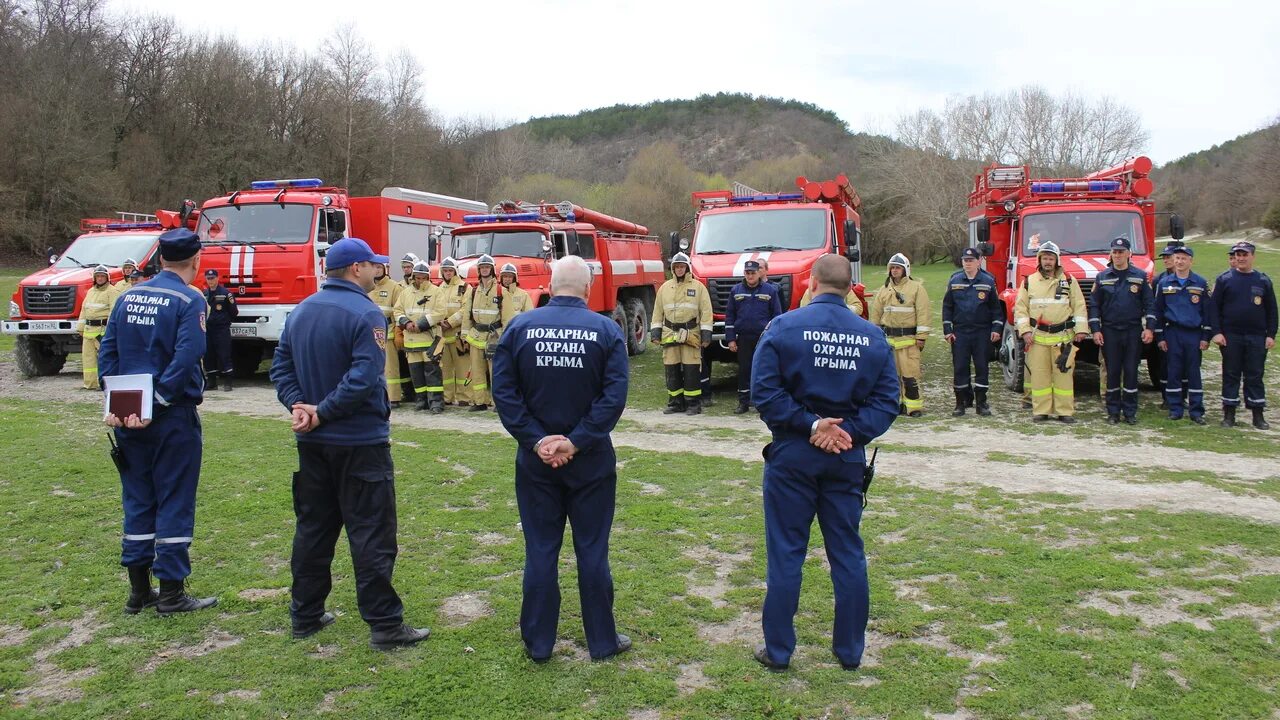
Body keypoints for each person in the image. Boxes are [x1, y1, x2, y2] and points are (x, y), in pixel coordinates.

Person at [269, 237, 429, 650]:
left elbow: (281, 367)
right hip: (359, 441)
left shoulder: (302, 310)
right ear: (356, 268)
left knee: (314, 529)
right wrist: (320, 411)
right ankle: (385, 625)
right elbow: (363, 378)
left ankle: (304, 615)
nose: (379, 270)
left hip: (314, 443)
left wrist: (298, 407)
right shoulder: (365, 312)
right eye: (373, 264)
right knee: (372, 533)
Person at [751, 254, 899, 672]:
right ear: (851, 288)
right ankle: (849, 651)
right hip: (845, 461)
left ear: (811, 282)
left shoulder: (783, 327)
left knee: (786, 555)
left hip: (793, 457)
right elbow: (889, 402)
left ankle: (778, 652)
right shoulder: (872, 336)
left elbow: (765, 393)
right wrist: (846, 432)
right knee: (848, 554)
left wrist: (813, 425)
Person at [491, 255, 631, 663]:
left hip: (536, 463)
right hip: (590, 462)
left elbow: (505, 395)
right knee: (591, 550)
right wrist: (577, 441)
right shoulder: (606, 330)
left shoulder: (519, 327)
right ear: (587, 289)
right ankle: (602, 642)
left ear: (550, 286)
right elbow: (613, 399)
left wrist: (538, 441)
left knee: (541, 549)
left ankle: (538, 643)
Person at [99, 228, 216, 616]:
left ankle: (138, 591)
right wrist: (160, 401)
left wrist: (116, 402)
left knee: (137, 497)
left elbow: (109, 349)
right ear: (196, 261)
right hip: (171, 416)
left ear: (160, 258)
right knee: (174, 498)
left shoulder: (127, 295)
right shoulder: (189, 299)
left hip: (125, 416)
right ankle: (171, 593)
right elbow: (187, 356)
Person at [1014, 242, 1087, 423]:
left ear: (1057, 260)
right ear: (1039, 260)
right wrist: (1025, 332)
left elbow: (1078, 306)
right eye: (1045, 258)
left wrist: (1081, 330)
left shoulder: (1069, 281)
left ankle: (1065, 412)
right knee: (1040, 376)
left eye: (1051, 258)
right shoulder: (1028, 282)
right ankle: (1041, 410)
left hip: (1062, 338)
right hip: (1038, 338)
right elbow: (1021, 309)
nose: (1048, 262)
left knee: (1063, 375)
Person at [1210, 241, 1276, 429]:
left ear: (1252, 257)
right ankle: (1229, 415)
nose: (1240, 258)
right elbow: (1214, 308)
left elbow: (1272, 310)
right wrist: (1217, 332)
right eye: (1238, 254)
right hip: (1231, 336)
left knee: (1254, 375)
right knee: (1231, 374)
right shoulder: (1224, 280)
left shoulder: (1263, 280)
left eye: (1244, 254)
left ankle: (1257, 415)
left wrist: (1270, 334)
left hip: (1256, 337)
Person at [1088, 238, 1155, 424]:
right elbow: (1094, 306)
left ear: (1128, 253)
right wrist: (1095, 330)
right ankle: (1113, 411)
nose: (1117, 255)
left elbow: (1150, 305)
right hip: (1110, 331)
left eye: (1121, 251)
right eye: (1114, 252)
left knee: (1132, 371)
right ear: (1111, 254)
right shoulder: (1102, 277)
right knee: (1113, 371)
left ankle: (1130, 411)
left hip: (1132, 331)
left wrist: (1149, 328)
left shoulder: (1140, 276)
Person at [1153, 245, 1211, 424]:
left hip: (1193, 334)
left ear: (1190, 261)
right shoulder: (1164, 283)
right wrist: (1160, 337)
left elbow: (1208, 313)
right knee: (1174, 371)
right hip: (1173, 333)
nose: (1179, 261)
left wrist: (1205, 337)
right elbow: (1158, 312)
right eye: (1177, 258)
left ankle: (1196, 411)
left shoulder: (1200, 283)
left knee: (1193, 373)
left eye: (1183, 258)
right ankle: (1175, 408)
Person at [942, 247, 1003, 416]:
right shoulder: (954, 280)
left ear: (979, 261)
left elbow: (996, 309)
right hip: (960, 332)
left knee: (982, 367)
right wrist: (948, 330)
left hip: (982, 332)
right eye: (965, 260)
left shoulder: (988, 281)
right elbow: (947, 307)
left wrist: (996, 328)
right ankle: (961, 403)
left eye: (970, 260)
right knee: (960, 367)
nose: (967, 263)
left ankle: (981, 403)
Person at [651, 252, 713, 415]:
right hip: (669, 333)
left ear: (687, 267)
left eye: (682, 266)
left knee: (691, 369)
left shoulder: (698, 287)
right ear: (672, 268)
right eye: (676, 267)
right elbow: (657, 312)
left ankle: (693, 404)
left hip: (691, 334)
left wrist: (706, 335)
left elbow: (706, 312)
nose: (679, 269)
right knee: (671, 369)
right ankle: (675, 402)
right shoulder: (665, 288)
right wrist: (656, 333)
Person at [871, 253, 930, 416]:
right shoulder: (883, 290)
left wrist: (921, 336)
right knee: (892, 377)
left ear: (905, 270)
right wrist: (874, 335)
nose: (894, 271)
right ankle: (897, 405)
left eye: (898, 268)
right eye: (892, 268)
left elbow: (923, 313)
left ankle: (913, 407)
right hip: (888, 341)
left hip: (909, 341)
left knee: (910, 376)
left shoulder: (916, 288)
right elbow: (876, 314)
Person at [725, 260, 783, 414]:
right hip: (743, 338)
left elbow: (777, 316)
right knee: (744, 370)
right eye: (748, 273)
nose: (750, 276)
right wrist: (731, 339)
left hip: (763, 338)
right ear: (744, 273)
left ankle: (760, 402)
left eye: (753, 272)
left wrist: (774, 337)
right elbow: (729, 316)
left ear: (759, 273)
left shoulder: (770, 291)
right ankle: (743, 402)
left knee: (762, 370)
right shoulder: (735, 291)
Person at [395, 261, 445, 413]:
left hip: (429, 339)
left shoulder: (436, 292)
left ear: (428, 277)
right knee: (416, 374)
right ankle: (421, 400)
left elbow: (440, 312)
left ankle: (436, 402)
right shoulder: (405, 292)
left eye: (423, 277)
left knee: (433, 373)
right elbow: (397, 311)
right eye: (417, 277)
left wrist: (421, 324)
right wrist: (407, 323)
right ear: (413, 276)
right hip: (411, 341)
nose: (420, 280)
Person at [462, 254, 502, 411]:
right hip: (476, 336)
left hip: (494, 337)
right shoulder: (473, 291)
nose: (485, 269)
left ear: (492, 269)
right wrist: (464, 336)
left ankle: (498, 403)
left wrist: (506, 337)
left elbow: (507, 317)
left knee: (495, 372)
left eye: (487, 267)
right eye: (482, 267)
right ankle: (480, 402)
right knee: (477, 371)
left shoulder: (500, 290)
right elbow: (467, 315)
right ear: (479, 270)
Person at [368, 262, 406, 407]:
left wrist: (398, 332)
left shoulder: (394, 287)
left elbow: (399, 310)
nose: (377, 271)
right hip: (371, 332)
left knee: (390, 367)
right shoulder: (368, 286)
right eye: (374, 267)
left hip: (388, 331)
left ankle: (394, 397)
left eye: (379, 267)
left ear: (385, 269)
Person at [434, 257, 472, 406]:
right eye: (445, 271)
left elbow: (465, 310)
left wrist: (449, 322)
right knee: (445, 369)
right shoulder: (438, 288)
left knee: (463, 368)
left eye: (450, 270)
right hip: (443, 336)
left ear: (456, 271)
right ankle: (446, 397)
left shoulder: (465, 287)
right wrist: (440, 321)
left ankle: (465, 397)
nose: (448, 273)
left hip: (457, 335)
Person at [80, 264, 121, 390]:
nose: (100, 278)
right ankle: (90, 383)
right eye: (97, 276)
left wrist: (109, 330)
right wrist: (80, 327)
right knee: (88, 359)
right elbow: (84, 310)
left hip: (101, 331)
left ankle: (104, 383)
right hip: (88, 331)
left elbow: (113, 311)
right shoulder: (91, 291)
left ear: (107, 277)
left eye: (102, 276)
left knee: (104, 359)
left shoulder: (112, 291)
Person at [202, 269, 238, 391]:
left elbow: (234, 311)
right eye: (208, 278)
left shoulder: (226, 294)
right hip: (208, 329)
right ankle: (212, 381)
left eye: (212, 278)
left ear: (217, 278)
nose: (210, 281)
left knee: (224, 354)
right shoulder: (205, 294)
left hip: (221, 329)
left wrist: (224, 320)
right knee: (208, 355)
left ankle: (228, 382)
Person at [394, 253, 421, 407]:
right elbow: (398, 308)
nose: (406, 269)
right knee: (403, 362)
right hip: (403, 327)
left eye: (409, 266)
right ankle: (407, 391)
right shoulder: (399, 286)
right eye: (404, 267)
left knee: (417, 362)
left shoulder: (419, 283)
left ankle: (419, 393)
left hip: (418, 328)